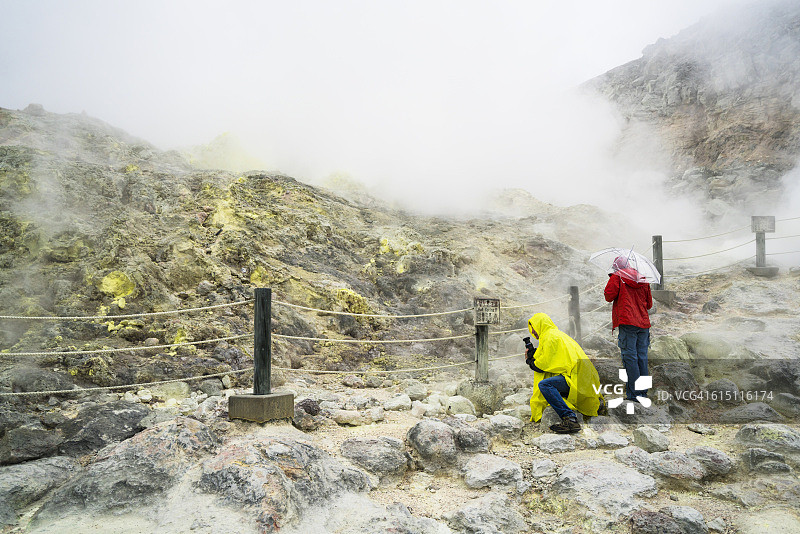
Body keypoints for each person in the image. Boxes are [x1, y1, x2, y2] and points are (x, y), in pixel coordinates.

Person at [525, 312, 603, 434]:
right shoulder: (558, 334)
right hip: (586, 377)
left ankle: (570, 419)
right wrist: (534, 354)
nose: (533, 332)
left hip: (578, 378)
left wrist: (530, 361)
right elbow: (554, 359)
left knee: (545, 385)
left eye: (533, 327)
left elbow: (543, 365)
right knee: (553, 382)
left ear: (540, 325)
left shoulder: (548, 337)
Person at [604, 255, 653, 401]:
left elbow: (608, 296)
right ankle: (643, 393)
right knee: (642, 358)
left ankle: (634, 395)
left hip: (627, 322)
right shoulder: (642, 278)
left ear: (616, 267)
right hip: (643, 324)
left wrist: (613, 278)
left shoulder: (617, 276)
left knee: (630, 358)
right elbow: (649, 304)